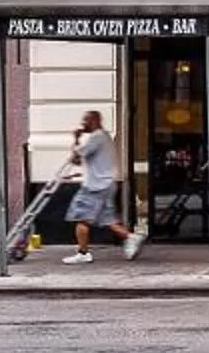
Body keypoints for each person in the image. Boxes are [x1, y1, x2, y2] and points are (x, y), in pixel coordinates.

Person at [61, 112, 146, 266]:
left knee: (81, 219)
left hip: (94, 186)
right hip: (107, 184)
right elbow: (81, 161)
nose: (83, 124)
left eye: (85, 120)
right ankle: (131, 237)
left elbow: (75, 157)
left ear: (93, 121)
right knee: (107, 219)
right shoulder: (105, 137)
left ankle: (83, 253)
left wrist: (76, 138)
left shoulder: (96, 138)